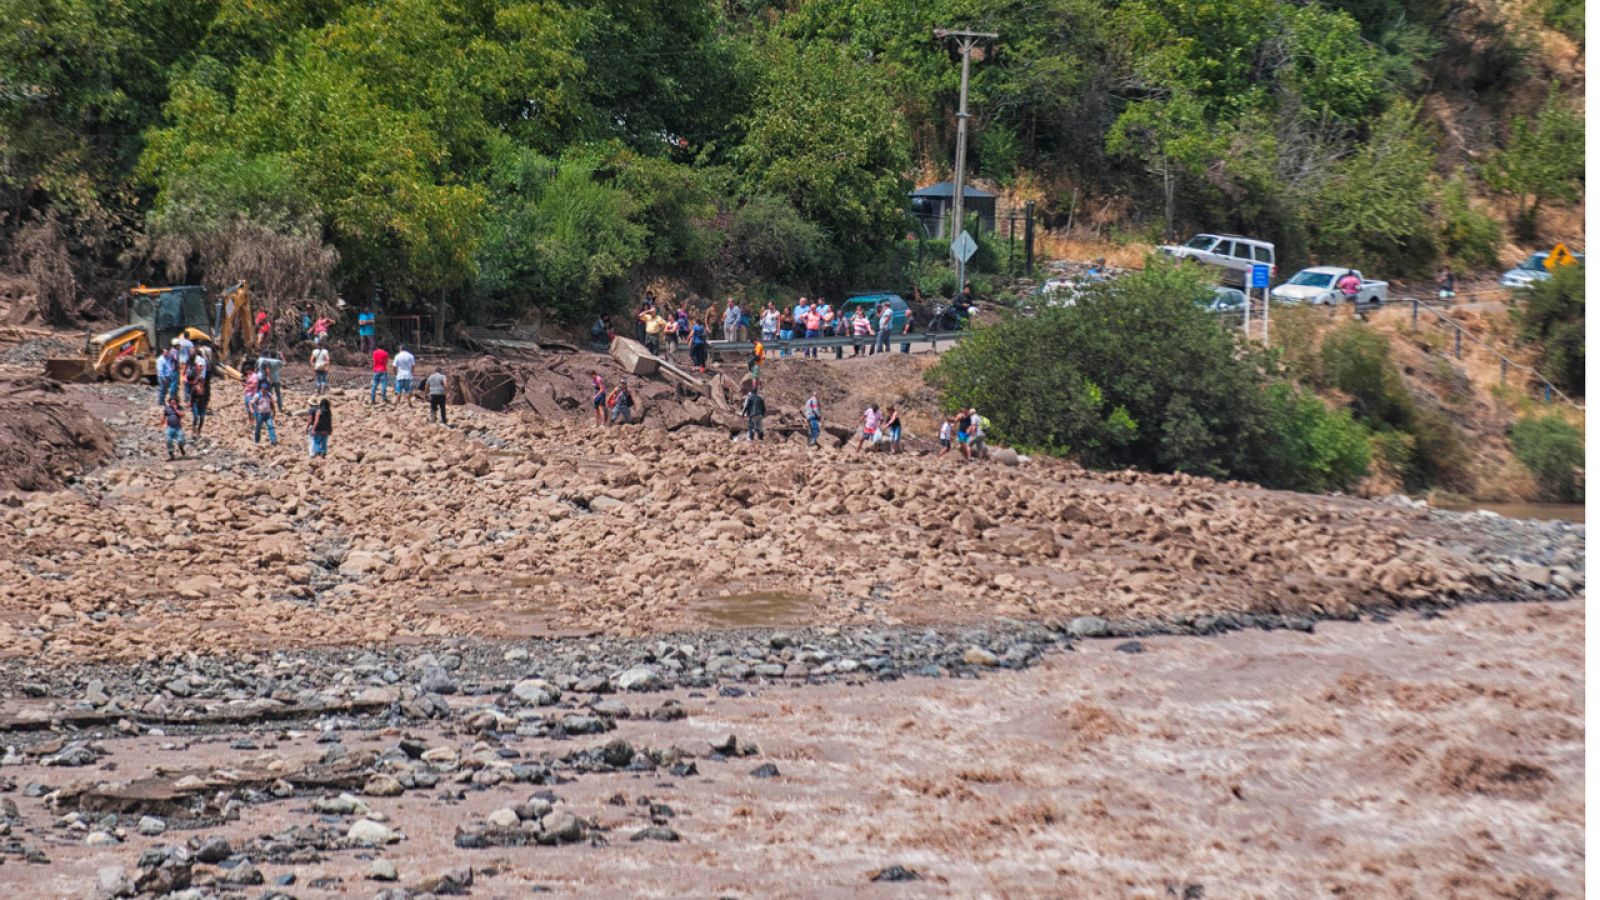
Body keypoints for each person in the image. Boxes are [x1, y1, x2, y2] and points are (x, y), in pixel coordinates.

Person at [187, 360, 209, 437]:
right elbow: (192, 397)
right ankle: (193, 430)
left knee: (202, 418)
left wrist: (206, 404)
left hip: (202, 404)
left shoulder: (204, 389)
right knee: (196, 416)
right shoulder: (194, 388)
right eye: (200, 382)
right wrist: (190, 403)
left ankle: (199, 430)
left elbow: (206, 396)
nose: (201, 384)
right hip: (195, 403)